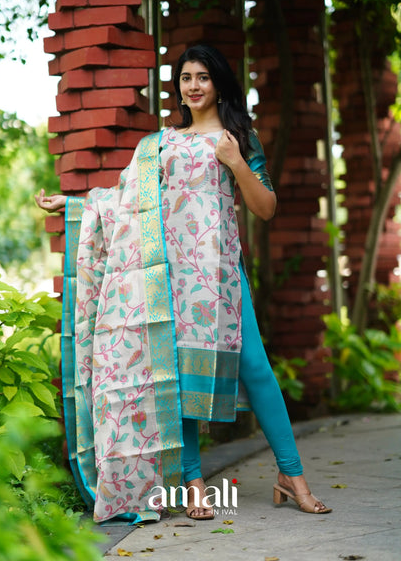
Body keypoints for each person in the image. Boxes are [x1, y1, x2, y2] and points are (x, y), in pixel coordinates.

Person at [36, 44, 331, 523]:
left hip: (220, 276)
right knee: (177, 375)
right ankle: (194, 485)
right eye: (186, 78)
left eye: (203, 77)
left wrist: (235, 162)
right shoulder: (160, 144)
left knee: (256, 369)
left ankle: (292, 476)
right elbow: (125, 201)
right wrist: (72, 205)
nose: (193, 86)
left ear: (219, 84)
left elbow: (266, 208)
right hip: (166, 274)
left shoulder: (238, 138)